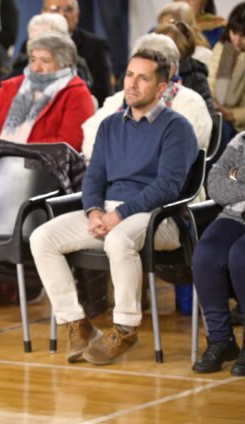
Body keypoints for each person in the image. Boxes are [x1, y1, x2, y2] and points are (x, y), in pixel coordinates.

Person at [30, 49, 197, 366]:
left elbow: (168, 187)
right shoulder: (109, 126)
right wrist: (94, 211)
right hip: (107, 212)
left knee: (119, 240)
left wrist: (118, 215)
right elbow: (93, 177)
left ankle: (125, 328)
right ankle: (78, 324)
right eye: (129, 75)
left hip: (159, 217)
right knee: (42, 237)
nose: (132, 84)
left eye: (143, 78)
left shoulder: (177, 127)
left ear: (162, 88)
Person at [83, 33, 212, 158]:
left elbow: (178, 152)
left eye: (144, 73)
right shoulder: (119, 98)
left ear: (170, 70)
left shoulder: (190, 103)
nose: (133, 83)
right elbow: (90, 138)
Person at [0, 32, 93, 152]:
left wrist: (18, 153)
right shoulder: (12, 86)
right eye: (33, 60)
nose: (36, 67)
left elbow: (69, 144)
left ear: (65, 64)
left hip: (42, 168)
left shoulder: (76, 93)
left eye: (45, 61)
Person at [191, 133, 245, 376]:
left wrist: (237, 174)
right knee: (206, 255)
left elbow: (229, 180)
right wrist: (233, 176)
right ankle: (221, 340)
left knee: (240, 256)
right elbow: (215, 186)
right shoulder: (242, 141)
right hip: (235, 216)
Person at [39, 0, 111, 103]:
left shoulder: (95, 46)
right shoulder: (32, 44)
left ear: (77, 15)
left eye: (68, 9)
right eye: (55, 9)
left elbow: (102, 94)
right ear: (43, 14)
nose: (62, 14)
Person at [155, 21, 215, 115]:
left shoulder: (196, 77)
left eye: (163, 44)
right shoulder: (143, 71)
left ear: (178, 48)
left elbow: (207, 114)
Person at [208, 3, 245, 150]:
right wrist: (216, 106)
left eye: (243, 36)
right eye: (234, 32)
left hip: (238, 125)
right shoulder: (223, 48)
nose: (236, 40)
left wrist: (232, 114)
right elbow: (212, 88)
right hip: (218, 116)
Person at [158, 1, 212, 66]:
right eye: (162, 26)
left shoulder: (203, 55)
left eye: (170, 27)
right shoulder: (155, 55)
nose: (163, 33)